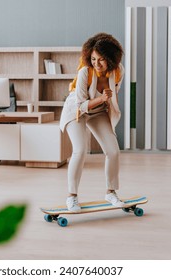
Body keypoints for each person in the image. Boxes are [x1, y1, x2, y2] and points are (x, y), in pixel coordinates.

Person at [59, 33, 125, 212]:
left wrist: (104, 100)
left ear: (111, 60)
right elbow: (80, 105)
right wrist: (103, 98)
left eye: (101, 60)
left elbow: (112, 94)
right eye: (93, 59)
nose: (96, 63)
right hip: (76, 111)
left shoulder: (119, 70)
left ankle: (110, 192)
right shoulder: (85, 72)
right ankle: (71, 197)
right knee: (80, 151)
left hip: (98, 111)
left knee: (113, 151)